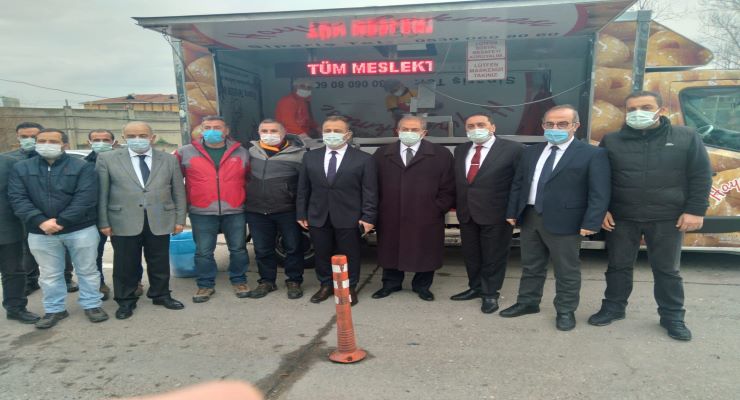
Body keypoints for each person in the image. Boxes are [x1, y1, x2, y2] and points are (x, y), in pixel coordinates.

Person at [588, 91, 712, 341]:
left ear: (661, 110)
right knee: (618, 266)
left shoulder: (686, 136)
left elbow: (701, 175)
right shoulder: (612, 140)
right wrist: (602, 210)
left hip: (667, 217)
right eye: (632, 109)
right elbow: (600, 179)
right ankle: (613, 307)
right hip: (623, 217)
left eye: (645, 107)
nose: (638, 113)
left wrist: (695, 210)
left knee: (667, 270)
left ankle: (672, 316)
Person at [501, 105, 610, 331]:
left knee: (566, 270)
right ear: (543, 125)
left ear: (575, 126)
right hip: (531, 216)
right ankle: (528, 302)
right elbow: (519, 183)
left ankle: (565, 310)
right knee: (531, 265)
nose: (555, 128)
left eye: (562, 124)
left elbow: (599, 192)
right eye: (550, 124)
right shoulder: (530, 152)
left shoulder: (592, 154)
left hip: (567, 220)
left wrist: (591, 222)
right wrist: (512, 211)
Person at [8, 129, 108, 329]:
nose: (46, 144)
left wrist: (61, 221)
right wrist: (40, 221)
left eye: (52, 141)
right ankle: (55, 309)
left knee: (87, 270)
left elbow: (86, 197)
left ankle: (92, 305)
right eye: (42, 140)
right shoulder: (21, 168)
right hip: (40, 231)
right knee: (49, 274)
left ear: (64, 144)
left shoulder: (82, 167)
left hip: (80, 229)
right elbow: (17, 198)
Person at [97, 121, 187, 319]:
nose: (137, 140)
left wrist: (180, 219)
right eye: (131, 136)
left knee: (159, 261)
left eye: (142, 135)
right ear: (123, 138)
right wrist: (103, 222)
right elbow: (102, 193)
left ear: (152, 138)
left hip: (160, 218)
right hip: (123, 219)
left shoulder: (168, 159)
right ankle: (126, 300)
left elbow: (178, 191)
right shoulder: (107, 159)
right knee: (125, 263)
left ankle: (161, 294)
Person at [371, 116, 455, 301]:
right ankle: (390, 284)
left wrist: (437, 208)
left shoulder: (441, 154)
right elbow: (372, 185)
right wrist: (379, 209)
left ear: (424, 133)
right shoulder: (382, 154)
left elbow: (449, 187)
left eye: (414, 129)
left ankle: (422, 286)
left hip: (427, 214)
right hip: (390, 214)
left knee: (426, 250)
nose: (409, 133)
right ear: (397, 131)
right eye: (405, 129)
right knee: (390, 250)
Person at [296, 116, 378, 306]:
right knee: (322, 253)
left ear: (348, 135)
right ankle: (325, 284)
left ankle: (349, 287)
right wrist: (301, 213)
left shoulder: (364, 159)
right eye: (328, 130)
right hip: (318, 215)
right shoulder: (310, 157)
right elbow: (303, 188)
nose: (331, 134)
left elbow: (370, 191)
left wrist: (368, 217)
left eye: (337, 131)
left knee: (351, 255)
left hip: (350, 216)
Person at [451, 114, 524, 313]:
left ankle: (490, 293)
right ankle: (475, 287)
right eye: (470, 126)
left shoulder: (513, 149)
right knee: (471, 254)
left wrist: (514, 211)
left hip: (497, 213)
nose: (476, 129)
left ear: (492, 127)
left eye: (481, 124)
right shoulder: (461, 149)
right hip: (467, 212)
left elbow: (519, 183)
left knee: (494, 256)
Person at [177, 116, 250, 303]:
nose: (212, 131)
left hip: (234, 209)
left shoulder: (241, 152)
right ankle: (205, 285)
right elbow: (174, 180)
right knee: (203, 251)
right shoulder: (185, 152)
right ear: (201, 130)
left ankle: (239, 281)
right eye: (207, 127)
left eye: (217, 127)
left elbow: (249, 179)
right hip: (201, 210)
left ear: (226, 130)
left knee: (238, 249)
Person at [3, 122, 77, 295]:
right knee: (25, 250)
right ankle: (30, 279)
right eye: (24, 137)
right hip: (24, 214)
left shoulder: (56, 158)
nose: (29, 140)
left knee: (61, 246)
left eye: (33, 136)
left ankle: (66, 277)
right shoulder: (10, 160)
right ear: (17, 137)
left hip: (55, 215)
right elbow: (14, 192)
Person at [245, 119, 307, 299]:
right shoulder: (250, 152)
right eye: (264, 131)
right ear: (258, 132)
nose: (269, 134)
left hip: (287, 209)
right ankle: (267, 281)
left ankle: (294, 281)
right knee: (262, 249)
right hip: (257, 210)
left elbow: (305, 185)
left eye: (273, 131)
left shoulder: (299, 154)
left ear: (284, 132)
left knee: (293, 247)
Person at [0, 154, 41, 324]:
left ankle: (15, 308)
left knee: (13, 271)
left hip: (7, 227)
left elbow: (20, 194)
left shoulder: (9, 163)